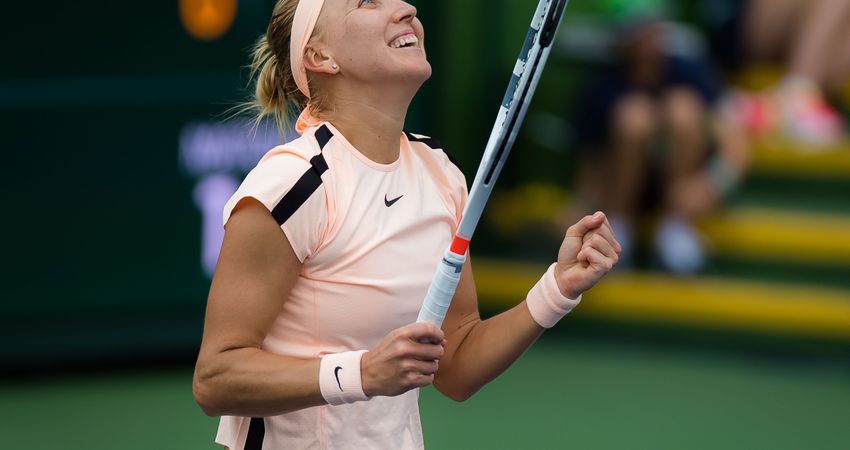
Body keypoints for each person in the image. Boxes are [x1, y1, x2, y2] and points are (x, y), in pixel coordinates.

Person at [191, 1, 621, 449]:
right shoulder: (293, 183)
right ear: (319, 56)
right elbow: (216, 378)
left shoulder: (441, 174)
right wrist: (361, 373)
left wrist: (556, 288)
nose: (407, 8)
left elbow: (456, 363)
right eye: (366, 1)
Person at [570, 4, 748, 274]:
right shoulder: (603, 85)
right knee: (634, 117)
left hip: (681, 191)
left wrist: (710, 186)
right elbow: (590, 169)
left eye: (652, 27)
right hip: (621, 193)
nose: (647, 38)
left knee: (683, 108)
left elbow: (735, 144)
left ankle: (675, 228)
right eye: (638, 29)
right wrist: (583, 209)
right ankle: (619, 229)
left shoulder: (689, 72)